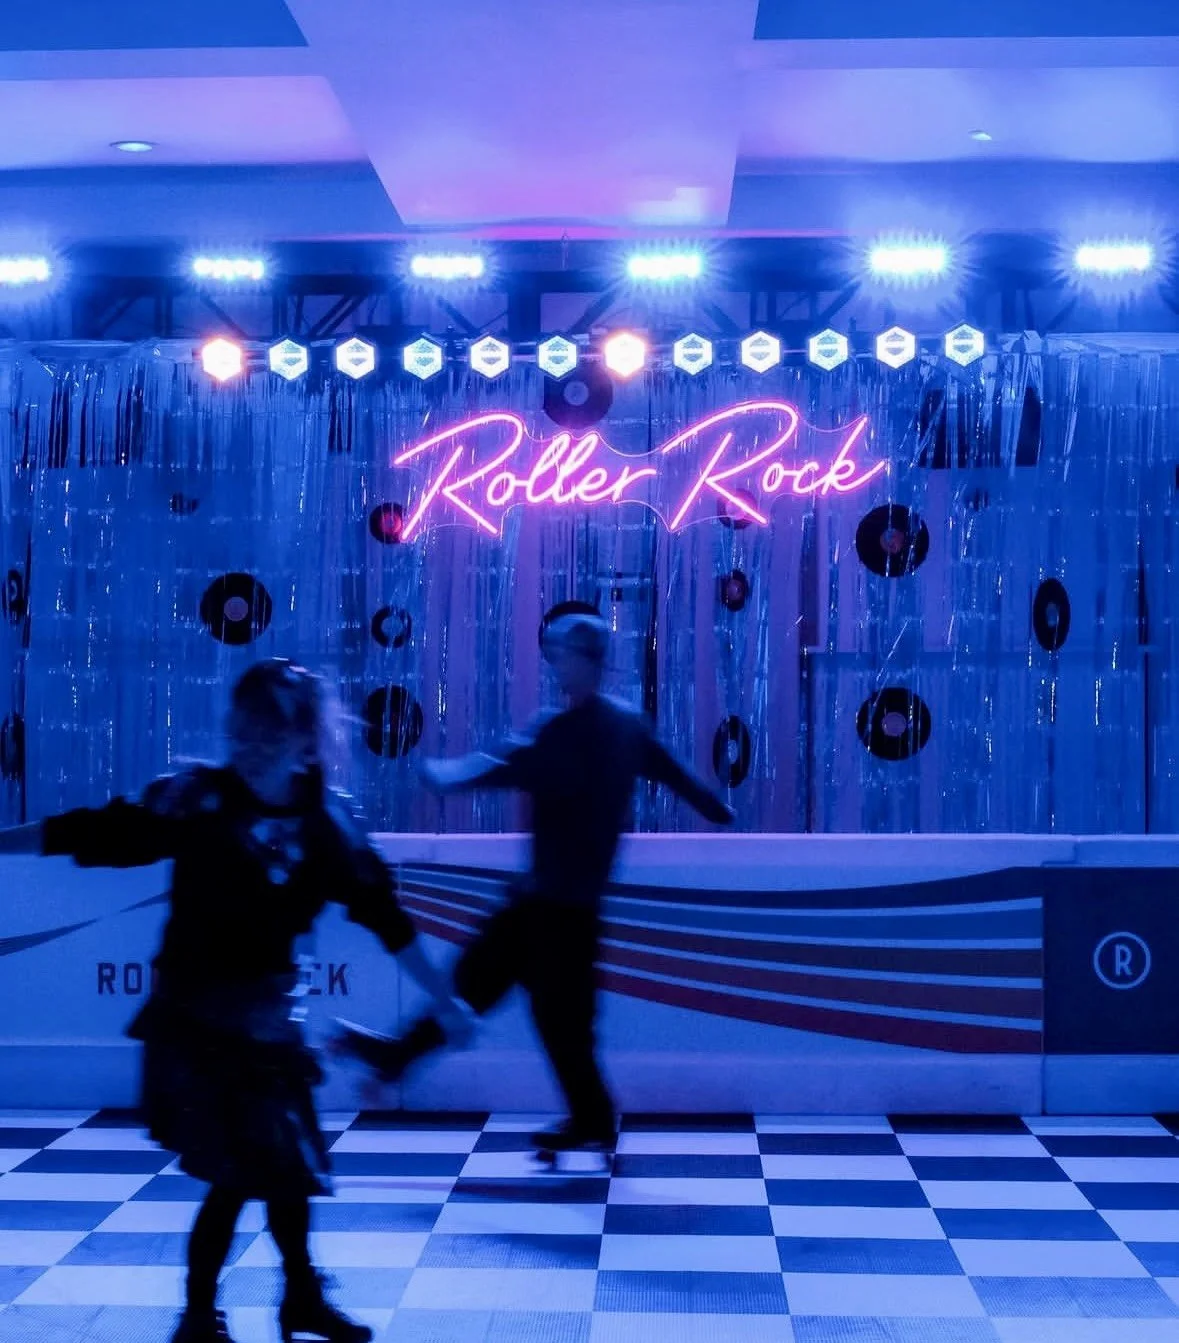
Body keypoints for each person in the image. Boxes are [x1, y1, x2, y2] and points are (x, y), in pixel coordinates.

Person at [0, 659, 468, 1343]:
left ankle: (283, 1298)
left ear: (308, 742)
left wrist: (446, 1002)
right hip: (194, 1024)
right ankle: (213, 1311)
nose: (250, 743)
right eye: (242, 728)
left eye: (269, 732)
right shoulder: (199, 801)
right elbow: (93, 832)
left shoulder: (326, 828)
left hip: (268, 1026)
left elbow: (388, 920)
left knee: (284, 1168)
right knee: (248, 1169)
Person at [335, 612, 734, 1156]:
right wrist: (717, 809)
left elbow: (494, 766)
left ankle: (581, 1114)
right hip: (561, 908)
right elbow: (683, 780)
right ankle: (581, 1115)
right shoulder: (625, 727)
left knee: (513, 1003)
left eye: (561, 654)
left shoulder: (564, 732)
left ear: (582, 659)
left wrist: (438, 775)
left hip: (551, 911)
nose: (555, 665)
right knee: (523, 1006)